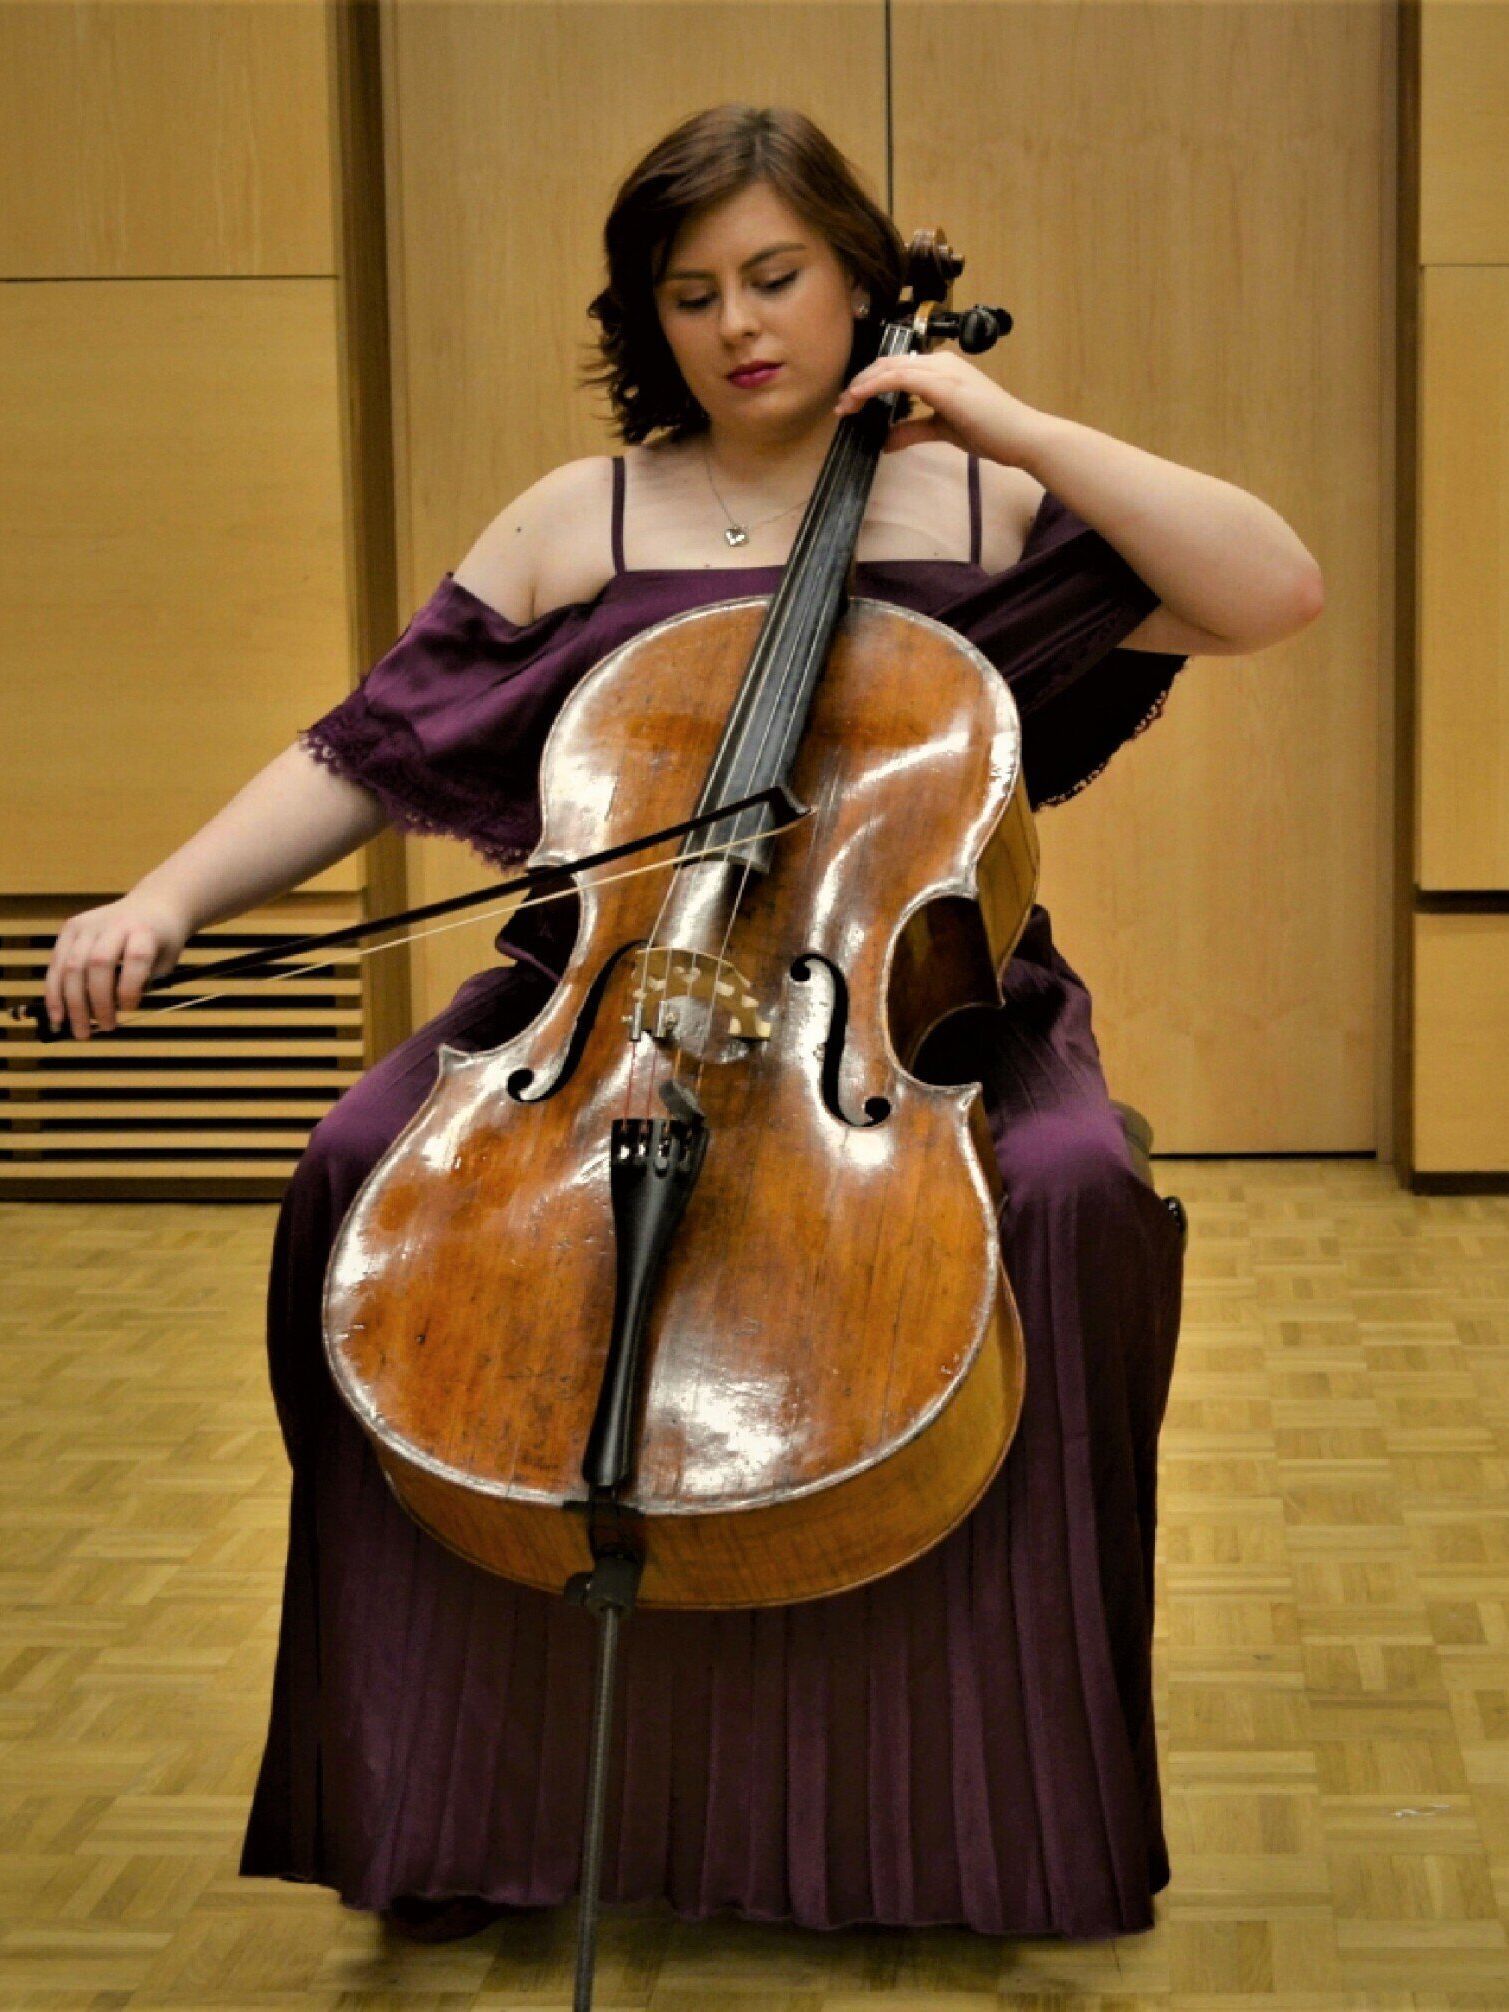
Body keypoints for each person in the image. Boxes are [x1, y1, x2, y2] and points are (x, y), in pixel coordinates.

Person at [44, 106, 1323, 1946]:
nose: (737, 324)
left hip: (906, 996)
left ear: (864, 277)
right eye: (691, 291)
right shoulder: (586, 515)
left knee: (1068, 1196)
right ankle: (451, 1795)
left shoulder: (985, 504)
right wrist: (163, 898)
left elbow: (1267, 588)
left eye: (777, 278)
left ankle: (974, 1811)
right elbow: (360, 746)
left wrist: (1006, 422)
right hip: (613, 983)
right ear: (648, 315)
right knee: (347, 1164)